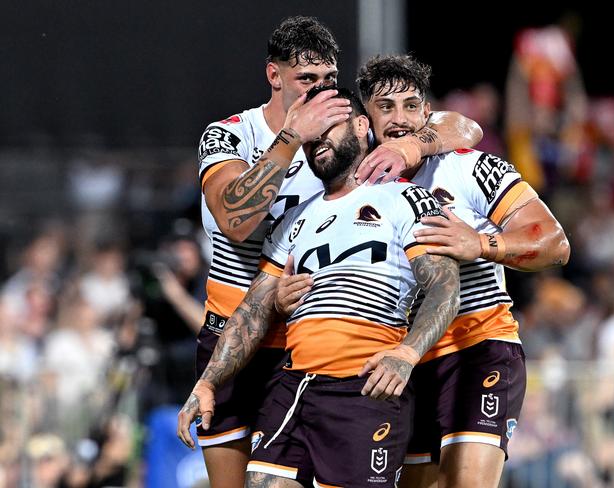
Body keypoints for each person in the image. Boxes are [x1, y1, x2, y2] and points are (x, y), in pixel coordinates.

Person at [188, 16, 482, 487]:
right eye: (306, 80)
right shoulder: (232, 135)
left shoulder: (338, 138)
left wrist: (412, 148)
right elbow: (236, 220)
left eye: (328, 80)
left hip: (312, 340)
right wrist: (291, 138)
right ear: (274, 75)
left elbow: (463, 127)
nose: (319, 93)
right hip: (236, 328)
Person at [277, 55, 571, 488]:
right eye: (386, 107)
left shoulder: (468, 166)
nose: (400, 120)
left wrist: (483, 244)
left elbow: (554, 244)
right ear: (365, 119)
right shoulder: (355, 181)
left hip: (479, 346)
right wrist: (292, 294)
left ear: (427, 112)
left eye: (411, 106)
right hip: (402, 360)